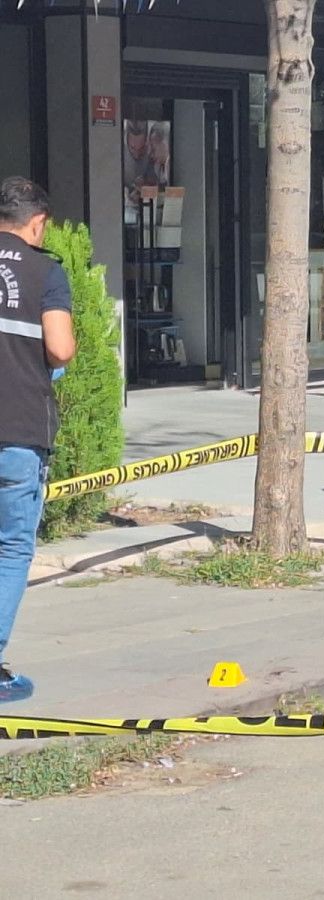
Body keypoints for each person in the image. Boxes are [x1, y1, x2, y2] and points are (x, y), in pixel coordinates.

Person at [0, 177, 75, 703]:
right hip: (18, 430)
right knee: (9, 547)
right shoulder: (45, 271)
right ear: (37, 223)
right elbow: (61, 348)